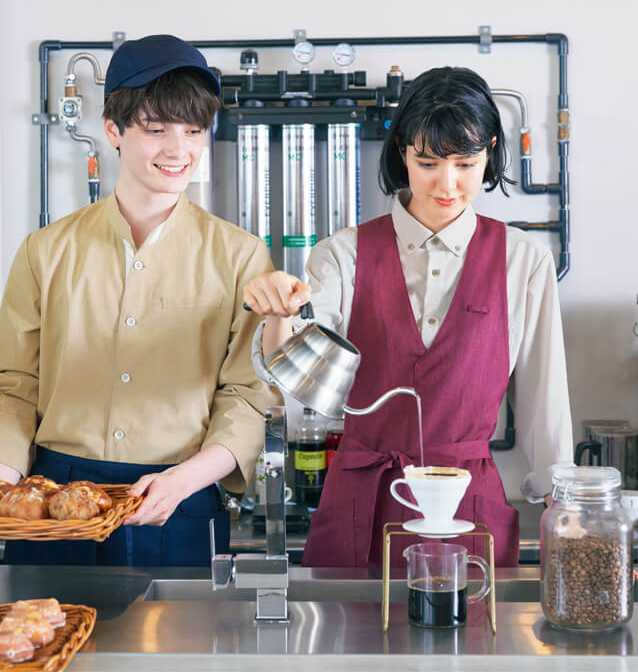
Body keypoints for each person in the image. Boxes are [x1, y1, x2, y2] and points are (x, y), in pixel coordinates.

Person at [244, 66, 574, 567]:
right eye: (428, 162)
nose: (448, 184)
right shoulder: (343, 255)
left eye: (466, 163)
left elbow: (541, 396)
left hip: (467, 504)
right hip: (362, 498)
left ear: (489, 151)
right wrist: (279, 313)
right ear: (402, 151)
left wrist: (562, 498)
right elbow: (298, 380)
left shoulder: (523, 260)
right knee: (348, 638)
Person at [0, 34, 281, 566]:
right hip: (53, 501)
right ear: (113, 130)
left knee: (176, 650)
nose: (177, 149)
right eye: (156, 129)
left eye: (193, 131)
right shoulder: (44, 252)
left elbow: (247, 395)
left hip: (179, 499)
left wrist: (185, 480)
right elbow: (16, 384)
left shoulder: (241, 257)